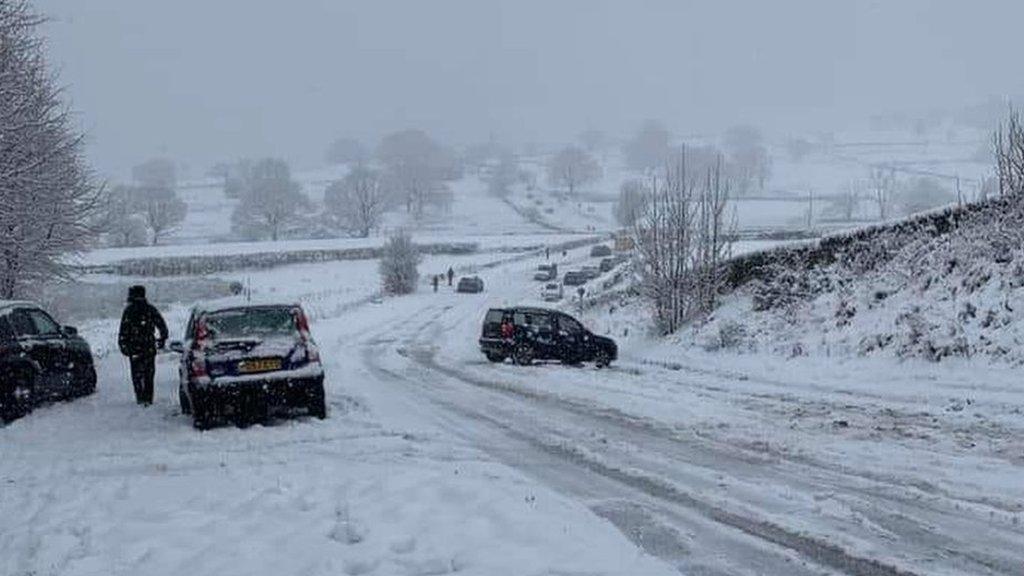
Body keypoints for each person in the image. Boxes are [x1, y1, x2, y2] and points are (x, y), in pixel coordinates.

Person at [117, 285, 168, 406]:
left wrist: (123, 345)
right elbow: (162, 325)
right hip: (148, 346)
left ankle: (140, 398)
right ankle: (148, 398)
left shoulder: (129, 311)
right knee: (149, 374)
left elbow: (123, 330)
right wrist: (162, 339)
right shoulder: (150, 309)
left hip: (134, 347)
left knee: (137, 374)